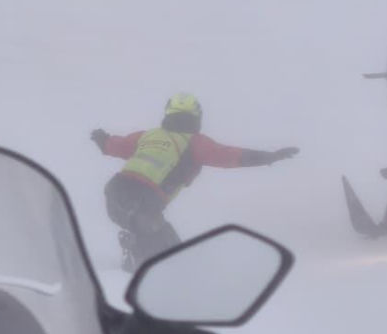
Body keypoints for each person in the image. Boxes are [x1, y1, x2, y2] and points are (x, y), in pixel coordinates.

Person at [91, 93, 298, 271]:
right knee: (171, 258)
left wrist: (101, 138)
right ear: (196, 117)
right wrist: (269, 157)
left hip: (115, 194)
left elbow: (112, 146)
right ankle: (135, 263)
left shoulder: (148, 136)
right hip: (144, 202)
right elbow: (229, 156)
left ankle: (133, 252)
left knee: (156, 243)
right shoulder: (194, 142)